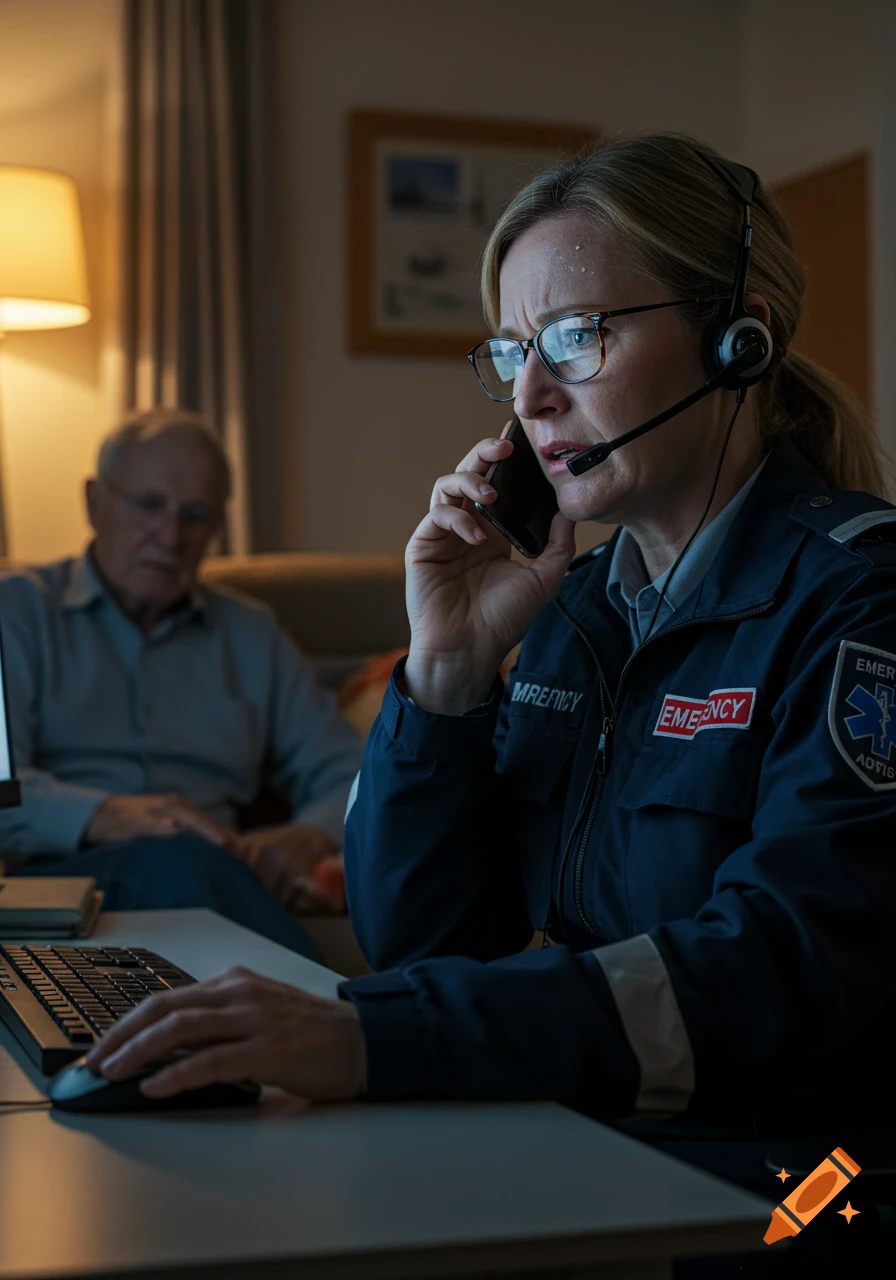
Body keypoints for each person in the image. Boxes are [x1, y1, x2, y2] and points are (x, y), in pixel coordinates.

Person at [84, 136, 896, 1269]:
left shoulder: (858, 599)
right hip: (598, 1121)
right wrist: (447, 676)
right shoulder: (573, 609)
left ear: (735, 336)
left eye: (576, 335)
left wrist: (376, 1032)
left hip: (813, 1173)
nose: (530, 396)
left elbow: (780, 973)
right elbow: (424, 940)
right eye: (513, 349)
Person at [0, 409, 363, 959]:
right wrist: (107, 814)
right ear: (95, 501)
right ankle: (333, 1018)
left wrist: (307, 834)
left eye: (195, 516)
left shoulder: (251, 633)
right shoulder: (17, 611)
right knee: (176, 861)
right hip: (65, 875)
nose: (171, 536)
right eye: (149, 505)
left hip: (214, 879)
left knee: (190, 866)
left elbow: (351, 773)